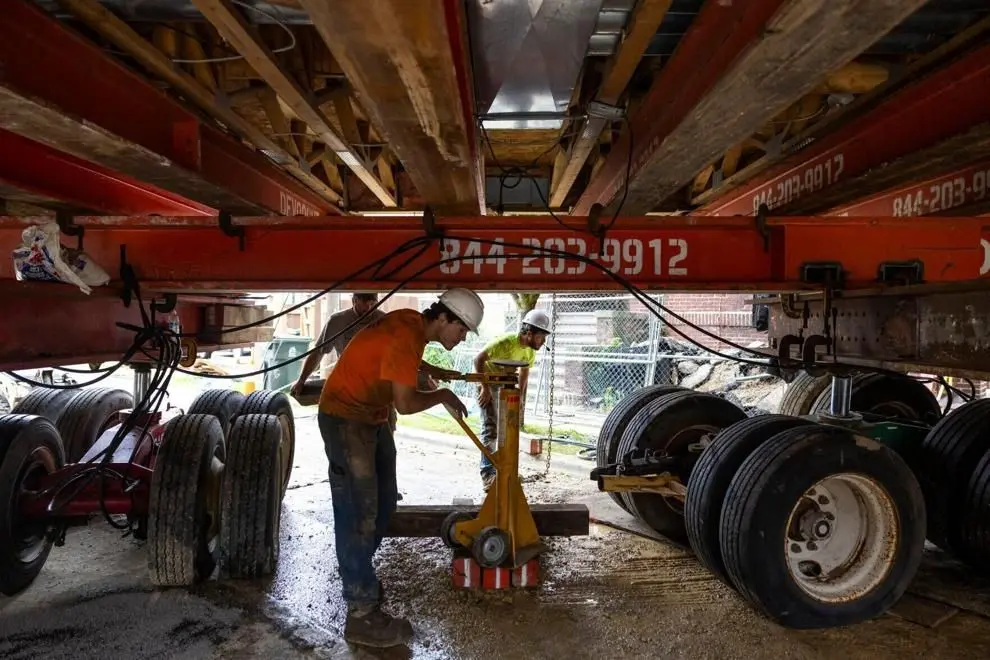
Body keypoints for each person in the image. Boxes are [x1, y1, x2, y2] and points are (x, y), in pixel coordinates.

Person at [317, 288, 483, 648]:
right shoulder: (407, 333)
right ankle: (360, 612)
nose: (463, 336)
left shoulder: (413, 323)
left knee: (385, 502)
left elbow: (403, 361)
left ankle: (358, 572)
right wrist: (441, 394)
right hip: (345, 417)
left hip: (371, 417)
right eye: (463, 329)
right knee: (358, 511)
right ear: (444, 319)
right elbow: (405, 404)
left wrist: (434, 371)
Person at [473, 309, 552, 491]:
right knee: (490, 429)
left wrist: (521, 397)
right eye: (541, 337)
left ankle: (504, 470)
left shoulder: (530, 352)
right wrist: (484, 388)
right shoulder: (506, 342)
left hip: (505, 385)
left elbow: (524, 372)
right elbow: (478, 360)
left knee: (508, 429)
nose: (543, 341)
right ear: (529, 333)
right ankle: (488, 474)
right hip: (489, 382)